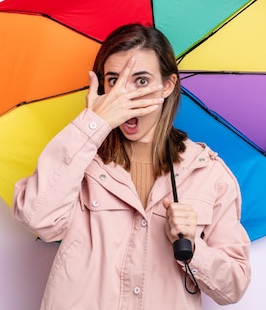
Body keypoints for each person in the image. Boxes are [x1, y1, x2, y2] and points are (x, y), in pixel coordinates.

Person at [13, 24, 251, 309]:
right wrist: (92, 124)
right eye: (114, 80)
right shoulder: (80, 159)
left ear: (167, 85)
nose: (125, 94)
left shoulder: (207, 173)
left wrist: (192, 247)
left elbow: (233, 286)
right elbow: (38, 218)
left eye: (140, 81)